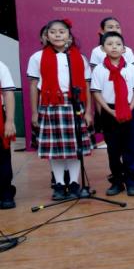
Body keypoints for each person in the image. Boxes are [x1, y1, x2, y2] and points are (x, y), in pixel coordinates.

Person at [28, 18, 93, 200]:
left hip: (74, 105)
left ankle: (73, 183)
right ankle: (59, 184)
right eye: (53, 32)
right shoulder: (37, 57)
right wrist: (35, 111)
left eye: (62, 31)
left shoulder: (79, 58)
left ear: (69, 36)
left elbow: (87, 85)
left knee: (74, 149)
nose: (57, 35)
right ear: (46, 36)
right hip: (50, 106)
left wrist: (88, 111)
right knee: (55, 150)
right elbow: (34, 85)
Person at [90, 31, 134, 196]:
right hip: (109, 111)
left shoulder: (131, 68)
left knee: (131, 148)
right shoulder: (99, 69)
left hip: (128, 108)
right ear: (103, 48)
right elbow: (96, 92)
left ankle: (131, 182)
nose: (114, 47)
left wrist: (130, 107)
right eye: (110, 44)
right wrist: (109, 110)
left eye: (118, 44)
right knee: (113, 149)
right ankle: (117, 182)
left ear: (124, 49)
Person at [0, 60, 17, 209]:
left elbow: (9, 93)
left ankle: (6, 193)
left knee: (2, 156)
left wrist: (10, 121)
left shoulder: (0, 65)